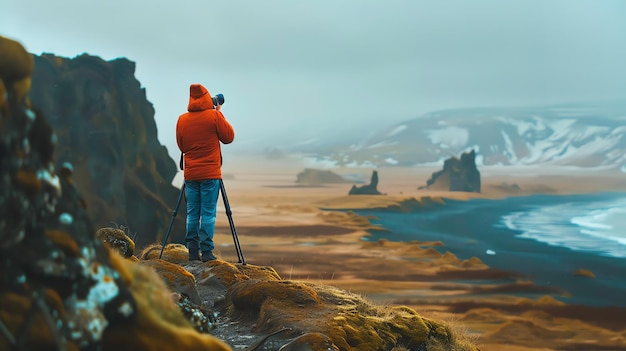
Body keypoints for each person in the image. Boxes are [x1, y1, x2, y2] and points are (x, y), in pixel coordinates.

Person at [176, 84, 234, 262]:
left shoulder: (182, 119)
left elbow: (182, 146)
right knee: (208, 213)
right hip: (210, 174)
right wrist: (218, 112)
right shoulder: (214, 116)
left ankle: (192, 252)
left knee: (192, 212)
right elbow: (228, 137)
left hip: (191, 175)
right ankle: (207, 252)